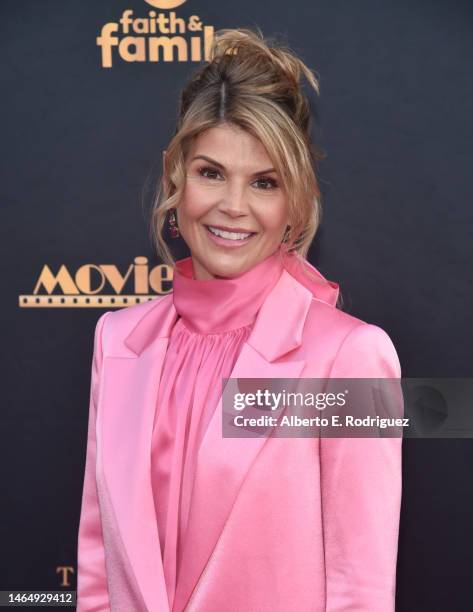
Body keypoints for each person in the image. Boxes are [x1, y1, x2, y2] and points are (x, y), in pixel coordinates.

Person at [77, 27, 402, 612]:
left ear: (296, 202)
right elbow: (99, 567)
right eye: (210, 172)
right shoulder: (118, 340)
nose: (232, 205)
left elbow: (362, 587)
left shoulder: (349, 357)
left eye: (264, 182)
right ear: (175, 175)